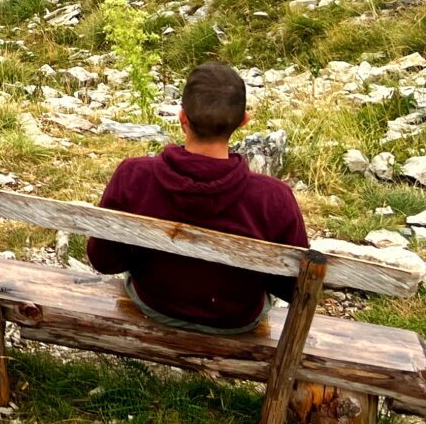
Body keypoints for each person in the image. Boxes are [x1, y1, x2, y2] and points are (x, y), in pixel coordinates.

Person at [85, 61, 308, 334]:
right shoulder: (274, 197)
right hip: (234, 321)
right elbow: (292, 287)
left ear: (182, 118)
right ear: (243, 121)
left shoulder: (134, 175)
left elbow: (103, 260)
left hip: (155, 305)